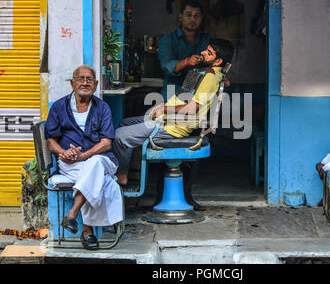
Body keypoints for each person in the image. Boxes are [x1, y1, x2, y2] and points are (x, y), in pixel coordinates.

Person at [112, 39, 234, 207]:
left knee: (119, 135)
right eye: (206, 50)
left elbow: (191, 109)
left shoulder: (210, 78)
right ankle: (129, 173)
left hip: (173, 127)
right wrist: (163, 106)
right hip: (170, 120)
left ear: (218, 61)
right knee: (124, 123)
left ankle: (122, 176)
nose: (204, 53)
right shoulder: (211, 73)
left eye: (209, 53)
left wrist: (164, 110)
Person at [44, 65, 123, 250]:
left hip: (102, 159)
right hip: (70, 163)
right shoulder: (58, 107)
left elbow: (106, 143)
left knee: (93, 165)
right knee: (96, 177)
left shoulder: (102, 107)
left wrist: (83, 156)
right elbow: (51, 141)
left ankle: (73, 215)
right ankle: (87, 232)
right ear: (72, 83)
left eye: (89, 80)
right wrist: (63, 153)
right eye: (80, 79)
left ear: (96, 85)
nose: (85, 83)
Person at [158, 0, 213, 102]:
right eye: (188, 14)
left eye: (197, 15)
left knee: (201, 118)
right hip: (173, 93)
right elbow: (167, 66)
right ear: (180, 16)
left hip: (200, 94)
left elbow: (216, 63)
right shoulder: (167, 40)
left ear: (201, 18)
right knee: (170, 118)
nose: (192, 18)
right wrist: (187, 61)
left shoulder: (209, 39)